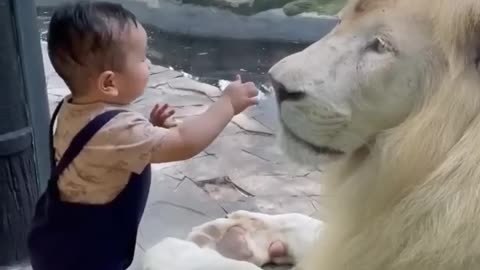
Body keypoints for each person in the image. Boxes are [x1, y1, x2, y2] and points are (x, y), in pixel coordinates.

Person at [27, 1, 258, 270]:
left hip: (58, 236)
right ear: (109, 83)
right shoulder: (121, 131)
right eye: (142, 58)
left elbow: (105, 148)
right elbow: (184, 142)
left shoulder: (72, 106)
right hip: (89, 255)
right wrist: (227, 104)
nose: (148, 62)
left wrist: (150, 127)